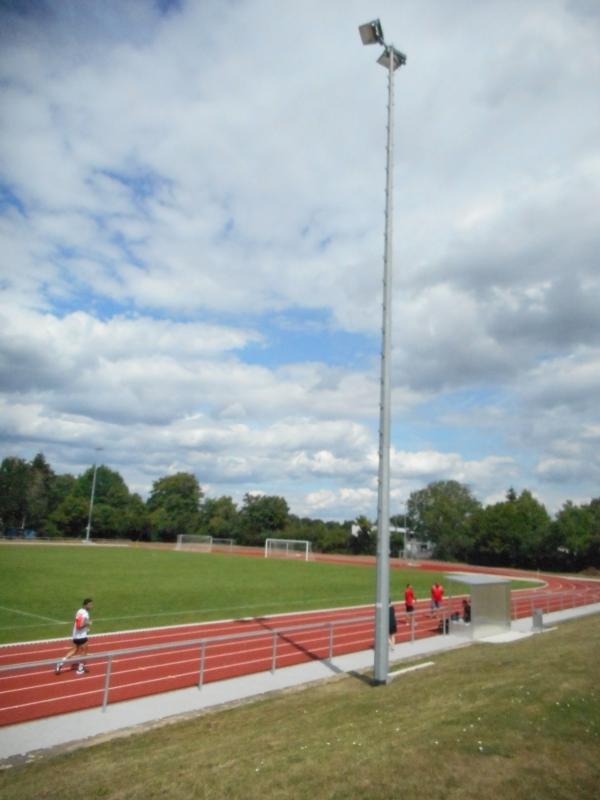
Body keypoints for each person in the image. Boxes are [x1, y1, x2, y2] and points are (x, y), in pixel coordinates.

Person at [55, 598, 93, 675]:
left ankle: (60, 663)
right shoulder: (85, 613)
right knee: (85, 651)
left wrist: (86, 627)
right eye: (90, 605)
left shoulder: (79, 611)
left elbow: (78, 623)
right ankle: (80, 669)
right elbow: (79, 626)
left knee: (75, 650)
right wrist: (87, 623)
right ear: (85, 605)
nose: (91, 606)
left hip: (76, 635)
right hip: (81, 636)